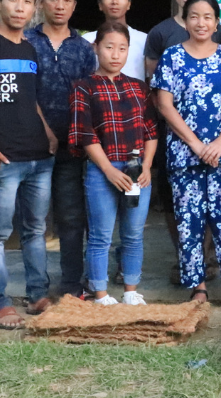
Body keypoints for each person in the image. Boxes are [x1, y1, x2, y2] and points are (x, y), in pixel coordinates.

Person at [151, 0, 221, 311]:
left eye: (207, 17)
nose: (201, 22)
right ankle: (198, 286)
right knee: (189, 220)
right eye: (194, 16)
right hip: (184, 154)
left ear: (216, 22)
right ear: (185, 21)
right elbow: (164, 104)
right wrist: (194, 144)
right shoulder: (172, 57)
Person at [0, 0, 58, 330]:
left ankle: (37, 294)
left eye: (27, 1)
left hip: (39, 158)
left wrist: (48, 134)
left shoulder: (29, 48)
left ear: (34, 7)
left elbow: (31, 99)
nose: (20, 7)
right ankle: (0, 303)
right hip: (3, 158)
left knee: (35, 230)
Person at [69, 22, 158, 306]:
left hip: (136, 170)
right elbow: (85, 134)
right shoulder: (83, 87)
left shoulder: (138, 88)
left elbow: (151, 131)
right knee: (101, 236)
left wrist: (146, 166)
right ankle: (101, 293)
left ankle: (131, 290)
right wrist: (108, 169)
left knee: (133, 234)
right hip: (101, 170)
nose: (115, 54)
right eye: (109, 47)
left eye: (122, 48)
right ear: (96, 48)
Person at [145, 0, 221, 286]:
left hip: (215, 135)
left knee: (213, 196)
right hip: (174, 133)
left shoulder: (218, 31)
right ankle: (185, 258)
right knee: (175, 199)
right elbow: (154, 86)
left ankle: (208, 257)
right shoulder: (160, 33)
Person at [25, 0, 98, 298]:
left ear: (74, 6)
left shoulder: (83, 49)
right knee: (33, 221)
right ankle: (37, 288)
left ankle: (71, 284)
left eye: (67, 0)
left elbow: (90, 98)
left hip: (71, 148)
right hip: (31, 146)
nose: (60, 6)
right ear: (41, 2)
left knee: (71, 217)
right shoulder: (25, 41)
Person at [82, 0, 147, 81]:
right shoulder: (87, 39)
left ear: (129, 4)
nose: (115, 1)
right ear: (100, 5)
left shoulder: (144, 39)